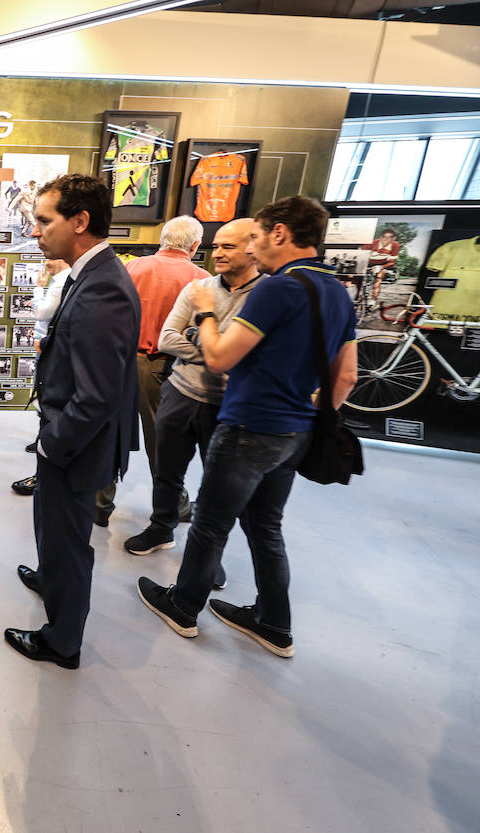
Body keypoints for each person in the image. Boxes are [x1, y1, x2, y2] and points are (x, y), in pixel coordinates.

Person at [136, 196, 357, 659]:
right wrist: (310, 420)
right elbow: (346, 376)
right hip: (295, 432)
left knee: (211, 524)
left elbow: (218, 357)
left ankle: (183, 606)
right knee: (265, 527)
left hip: (250, 425)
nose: (252, 249)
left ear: (280, 233)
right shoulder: (337, 291)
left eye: (256, 237)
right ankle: (274, 622)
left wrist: (206, 311)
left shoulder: (278, 288)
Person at [6, 174, 141, 669]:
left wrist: (51, 445)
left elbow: (98, 396)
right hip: (67, 437)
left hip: (74, 445)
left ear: (80, 221)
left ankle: (62, 641)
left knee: (67, 542)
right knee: (52, 528)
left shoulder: (102, 287)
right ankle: (49, 578)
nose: (36, 230)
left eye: (44, 220)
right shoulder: (91, 274)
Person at [123, 219, 264, 585]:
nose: (218, 252)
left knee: (217, 485)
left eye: (228, 247)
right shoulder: (197, 284)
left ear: (253, 247)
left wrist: (203, 332)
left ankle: (207, 555)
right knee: (167, 468)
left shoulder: (266, 295)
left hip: (229, 403)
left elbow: (258, 354)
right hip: (180, 390)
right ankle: (161, 527)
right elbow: (168, 339)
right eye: (215, 245)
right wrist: (220, 351)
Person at [96, 215, 210, 527]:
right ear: (196, 245)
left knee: (108, 434)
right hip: (162, 366)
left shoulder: (131, 267)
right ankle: (175, 507)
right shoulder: (201, 279)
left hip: (118, 361)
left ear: (163, 239)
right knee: (162, 443)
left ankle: (99, 504)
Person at [12, 258, 70, 496]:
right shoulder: (60, 281)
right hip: (45, 348)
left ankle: (43, 472)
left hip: (47, 351)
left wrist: (37, 288)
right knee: (44, 407)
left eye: (52, 257)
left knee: (46, 408)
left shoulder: (60, 283)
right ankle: (42, 451)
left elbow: (41, 311)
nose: (47, 261)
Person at [362, 228, 400, 302]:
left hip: (383, 263)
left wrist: (381, 267)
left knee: (378, 279)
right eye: (384, 237)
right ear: (380, 237)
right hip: (369, 262)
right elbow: (361, 254)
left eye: (389, 237)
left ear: (393, 238)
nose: (386, 239)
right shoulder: (373, 243)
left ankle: (373, 300)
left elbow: (392, 262)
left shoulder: (395, 245)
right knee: (358, 277)